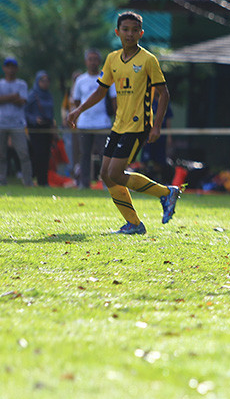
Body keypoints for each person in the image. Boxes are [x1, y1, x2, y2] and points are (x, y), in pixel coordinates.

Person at [66, 12, 181, 234]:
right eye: (125, 29)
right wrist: (78, 110)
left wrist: (157, 125)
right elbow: (101, 91)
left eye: (134, 30)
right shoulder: (112, 59)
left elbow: (164, 94)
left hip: (138, 126)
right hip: (118, 125)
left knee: (116, 173)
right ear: (117, 32)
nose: (130, 34)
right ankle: (134, 224)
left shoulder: (148, 59)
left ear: (141, 33)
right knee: (105, 175)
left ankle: (166, 193)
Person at [70, 49, 115, 188]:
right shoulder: (80, 80)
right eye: (90, 59)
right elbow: (76, 101)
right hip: (85, 124)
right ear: (86, 61)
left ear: (100, 61)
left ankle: (106, 184)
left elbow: (114, 99)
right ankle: (84, 184)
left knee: (105, 155)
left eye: (95, 59)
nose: (93, 62)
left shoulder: (106, 77)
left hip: (102, 123)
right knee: (84, 155)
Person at [0, 57, 33, 186]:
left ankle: (28, 181)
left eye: (13, 66)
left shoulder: (22, 84)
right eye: (8, 66)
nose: (10, 69)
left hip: (17, 123)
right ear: (4, 68)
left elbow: (22, 101)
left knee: (23, 153)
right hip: (0, 122)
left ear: (16, 68)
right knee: (1, 154)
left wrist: (5, 98)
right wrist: (13, 97)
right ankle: (2, 180)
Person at [26, 70, 56, 186]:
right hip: (36, 129)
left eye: (47, 80)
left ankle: (44, 181)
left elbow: (51, 112)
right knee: (37, 154)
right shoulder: (32, 94)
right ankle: (35, 179)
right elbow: (25, 112)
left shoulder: (49, 95)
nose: (45, 83)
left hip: (47, 128)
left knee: (46, 155)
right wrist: (34, 119)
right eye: (42, 80)